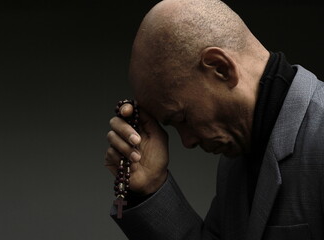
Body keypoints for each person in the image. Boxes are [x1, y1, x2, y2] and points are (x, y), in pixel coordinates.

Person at [105, 0, 324, 239]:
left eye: (182, 118)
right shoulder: (238, 156)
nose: (187, 142)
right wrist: (150, 187)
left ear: (221, 68)